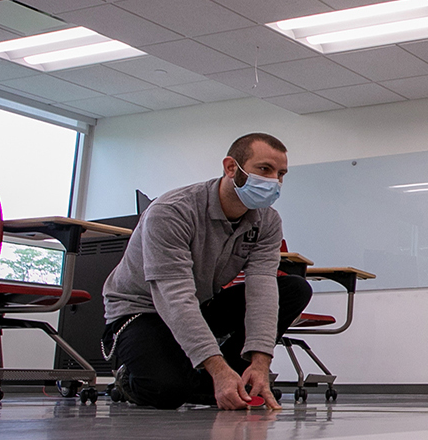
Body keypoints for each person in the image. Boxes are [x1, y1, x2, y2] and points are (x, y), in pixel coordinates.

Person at [101, 132, 313, 410]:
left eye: (281, 173)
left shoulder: (268, 221)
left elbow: (262, 289)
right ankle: (138, 380)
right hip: (143, 312)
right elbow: (174, 296)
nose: (274, 180)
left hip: (199, 305)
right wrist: (217, 368)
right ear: (231, 167)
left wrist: (261, 362)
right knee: (168, 392)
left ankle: (233, 377)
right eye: (264, 169)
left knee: (294, 289)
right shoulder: (171, 211)